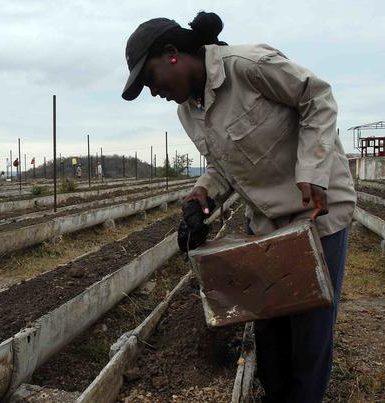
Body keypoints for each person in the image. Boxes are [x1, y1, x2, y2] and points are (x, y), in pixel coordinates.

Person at [122, 12, 356, 403]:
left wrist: (313, 168)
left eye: (150, 78)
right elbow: (223, 164)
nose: (153, 91)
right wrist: (202, 196)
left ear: (172, 53)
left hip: (318, 212)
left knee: (309, 336)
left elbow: (318, 97)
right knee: (269, 335)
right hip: (266, 225)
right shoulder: (187, 111)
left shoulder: (248, 66)